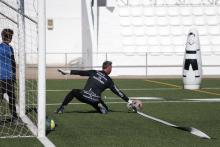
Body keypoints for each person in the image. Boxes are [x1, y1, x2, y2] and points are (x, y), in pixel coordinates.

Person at [55, 61, 136, 114]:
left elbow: (80, 72)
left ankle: (61, 108)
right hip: (94, 99)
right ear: (107, 68)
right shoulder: (109, 80)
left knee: (73, 92)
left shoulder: (94, 72)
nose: (111, 69)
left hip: (84, 95)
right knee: (105, 108)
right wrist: (128, 100)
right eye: (111, 68)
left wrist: (67, 72)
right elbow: (118, 92)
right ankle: (101, 106)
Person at [0, 28, 19, 123]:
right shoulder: (9, 48)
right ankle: (15, 118)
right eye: (10, 36)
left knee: (11, 98)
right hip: (6, 77)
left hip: (6, 77)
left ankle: (15, 117)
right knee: (12, 98)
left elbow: (13, 62)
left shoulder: (6, 47)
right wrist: (14, 75)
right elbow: (13, 63)